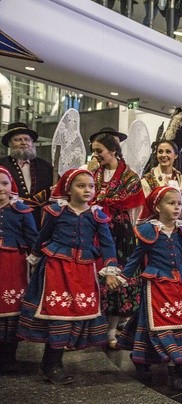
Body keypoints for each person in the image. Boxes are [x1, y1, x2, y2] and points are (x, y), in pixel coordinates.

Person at [111, 186, 182, 390]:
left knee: (171, 324)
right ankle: (174, 370)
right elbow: (135, 258)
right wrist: (122, 276)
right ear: (157, 207)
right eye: (171, 203)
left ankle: (142, 356)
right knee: (159, 325)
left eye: (179, 203)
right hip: (156, 285)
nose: (177, 207)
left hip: (178, 287)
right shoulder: (148, 231)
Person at [17, 169, 118, 385]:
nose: (87, 190)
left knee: (76, 312)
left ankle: (51, 363)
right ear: (68, 189)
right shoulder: (56, 212)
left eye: (90, 186)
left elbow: (107, 243)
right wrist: (34, 257)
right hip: (57, 267)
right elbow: (43, 235)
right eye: (81, 186)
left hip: (83, 270)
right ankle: (53, 363)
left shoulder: (97, 215)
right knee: (57, 312)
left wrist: (110, 268)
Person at [88, 129, 144, 349]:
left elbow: (130, 203)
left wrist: (99, 200)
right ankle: (93, 329)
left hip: (120, 234)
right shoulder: (93, 174)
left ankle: (112, 332)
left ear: (112, 150)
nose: (95, 155)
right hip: (97, 231)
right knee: (95, 279)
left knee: (116, 280)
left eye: (98, 151)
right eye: (93, 151)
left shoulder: (130, 177)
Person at [0, 167, 38, 374]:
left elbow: (33, 238)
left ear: (11, 186)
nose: (0, 188)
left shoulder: (21, 210)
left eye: (5, 183)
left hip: (13, 263)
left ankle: (9, 356)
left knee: (12, 308)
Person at [0, 122, 54, 229]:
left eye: (27, 139)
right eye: (18, 140)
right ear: (10, 144)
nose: (24, 143)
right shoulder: (2, 165)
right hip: (11, 220)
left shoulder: (46, 166)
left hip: (41, 220)